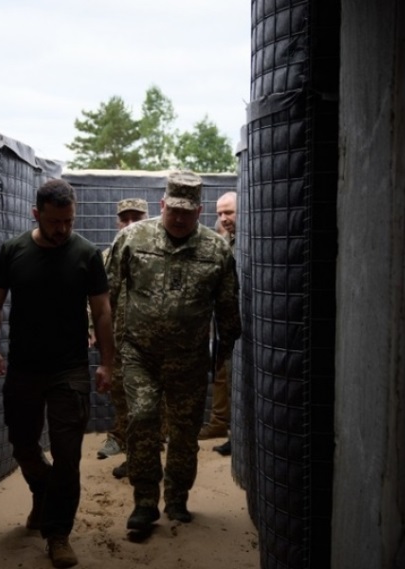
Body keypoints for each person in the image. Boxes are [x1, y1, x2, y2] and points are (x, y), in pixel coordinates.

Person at [0, 179, 115, 568]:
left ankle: (57, 534)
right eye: (55, 221)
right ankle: (42, 488)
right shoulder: (14, 251)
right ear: (36, 214)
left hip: (69, 369)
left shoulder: (86, 254)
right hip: (24, 367)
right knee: (23, 445)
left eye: (69, 221)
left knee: (68, 455)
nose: (62, 229)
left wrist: (107, 362)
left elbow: (103, 310)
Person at [106, 171, 241, 530]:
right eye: (173, 210)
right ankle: (145, 501)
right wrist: (107, 348)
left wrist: (224, 352)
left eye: (187, 212)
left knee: (184, 431)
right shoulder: (132, 239)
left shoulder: (215, 250)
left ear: (199, 211)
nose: (179, 218)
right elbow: (107, 295)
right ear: (162, 204)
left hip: (189, 359)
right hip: (140, 354)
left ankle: (177, 498)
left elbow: (227, 307)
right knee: (142, 418)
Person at [94, 198, 149, 462]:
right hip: (116, 337)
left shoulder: (158, 255)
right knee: (119, 391)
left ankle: (145, 447)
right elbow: (94, 298)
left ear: (147, 219)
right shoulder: (106, 257)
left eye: (136, 219)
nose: (129, 224)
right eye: (124, 219)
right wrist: (92, 327)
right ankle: (123, 441)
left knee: (149, 397)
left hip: (150, 339)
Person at [200, 191, 237, 459]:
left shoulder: (246, 243)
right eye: (220, 213)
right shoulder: (226, 242)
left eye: (229, 212)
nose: (223, 218)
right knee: (225, 375)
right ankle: (228, 431)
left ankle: (234, 434)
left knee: (234, 379)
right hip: (225, 323)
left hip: (241, 323)